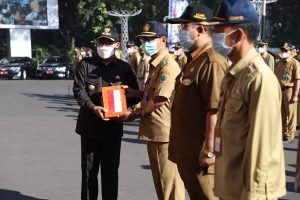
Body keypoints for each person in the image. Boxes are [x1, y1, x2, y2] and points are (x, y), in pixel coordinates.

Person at [211, 0, 286, 199]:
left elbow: (262, 151)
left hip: (247, 193)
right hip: (230, 187)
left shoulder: (259, 78)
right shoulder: (236, 73)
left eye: (218, 30)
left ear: (237, 35)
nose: (212, 36)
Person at [167, 4, 228, 200]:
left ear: (200, 29)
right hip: (189, 153)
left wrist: (209, 150)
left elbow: (215, 111)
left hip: (202, 156)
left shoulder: (212, 62)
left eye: (184, 27)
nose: (180, 32)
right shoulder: (194, 60)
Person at [73, 25, 139, 200]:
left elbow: (134, 93)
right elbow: (79, 90)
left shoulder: (125, 68)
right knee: (89, 173)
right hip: (90, 127)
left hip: (113, 129)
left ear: (116, 45)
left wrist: (123, 109)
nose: (103, 46)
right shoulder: (84, 65)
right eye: (101, 42)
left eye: (108, 42)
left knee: (110, 173)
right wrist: (92, 107)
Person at [123, 21, 185, 200]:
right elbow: (152, 92)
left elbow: (159, 99)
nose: (145, 43)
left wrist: (136, 113)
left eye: (150, 39)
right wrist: (134, 92)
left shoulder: (167, 66)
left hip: (162, 133)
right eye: (143, 39)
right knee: (161, 183)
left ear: (163, 40)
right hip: (154, 131)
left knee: (170, 184)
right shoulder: (156, 63)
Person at [275, 42, 300, 143]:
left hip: (289, 90)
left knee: (290, 114)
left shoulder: (295, 63)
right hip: (280, 90)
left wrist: (295, 95)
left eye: (286, 51)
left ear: (291, 52)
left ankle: (290, 135)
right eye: (283, 51)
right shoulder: (279, 63)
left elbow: (298, 80)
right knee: (282, 113)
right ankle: (283, 133)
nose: (284, 52)